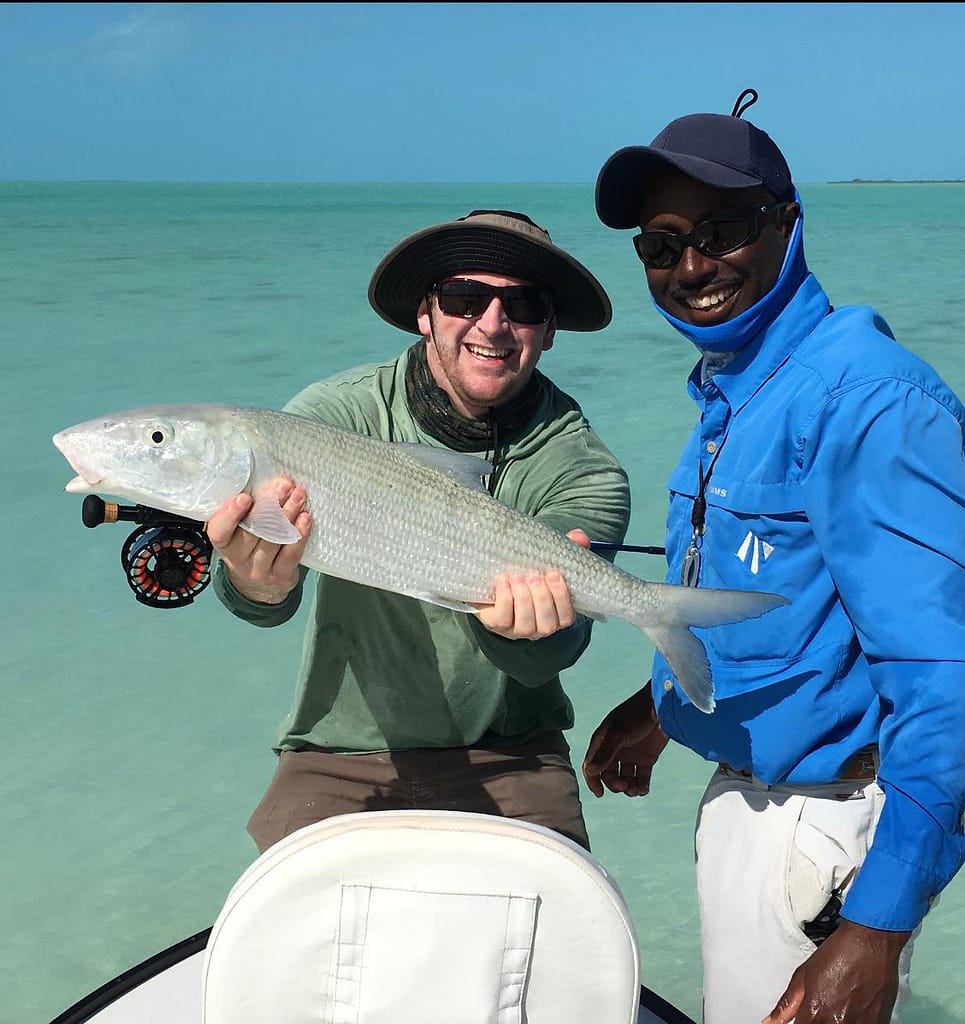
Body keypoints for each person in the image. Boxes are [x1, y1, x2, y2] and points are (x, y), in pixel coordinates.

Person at [583, 89, 965, 1024]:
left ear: (786, 223)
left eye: (722, 230)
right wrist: (664, 706)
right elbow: (779, 596)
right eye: (660, 245)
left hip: (820, 827)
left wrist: (871, 933)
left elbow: (949, 683)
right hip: (757, 808)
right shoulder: (739, 387)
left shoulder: (868, 402)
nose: (691, 265)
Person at [207, 209, 631, 855]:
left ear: (548, 330)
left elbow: (547, 655)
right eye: (465, 298)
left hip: (511, 752)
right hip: (338, 749)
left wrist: (526, 631)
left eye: (520, 305)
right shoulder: (332, 416)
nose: (492, 324)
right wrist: (254, 584)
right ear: (424, 313)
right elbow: (262, 606)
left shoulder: (581, 467)